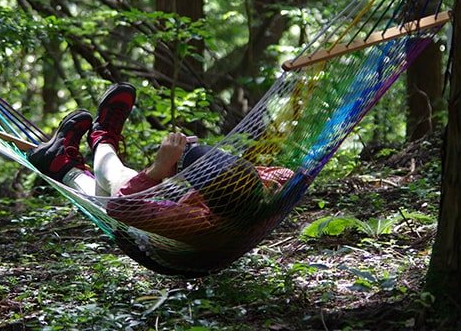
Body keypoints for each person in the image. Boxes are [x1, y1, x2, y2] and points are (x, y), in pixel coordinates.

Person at [28, 83, 295, 245]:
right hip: (193, 203)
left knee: (121, 180)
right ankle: (63, 167)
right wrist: (197, 159)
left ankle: (102, 140)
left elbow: (122, 207)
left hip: (157, 239)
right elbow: (287, 174)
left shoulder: (195, 222)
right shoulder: (268, 186)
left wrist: (157, 170)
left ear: (206, 198)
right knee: (112, 189)